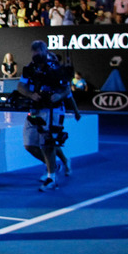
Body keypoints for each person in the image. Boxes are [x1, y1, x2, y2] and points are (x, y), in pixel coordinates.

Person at [17, 40, 77, 191]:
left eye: (38, 52)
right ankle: (54, 165)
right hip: (35, 109)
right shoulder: (30, 67)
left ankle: (52, 178)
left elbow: (67, 89)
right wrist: (31, 94)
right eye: (34, 52)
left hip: (53, 110)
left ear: (44, 51)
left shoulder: (56, 68)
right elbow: (21, 86)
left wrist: (58, 97)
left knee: (47, 144)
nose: (36, 55)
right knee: (29, 145)